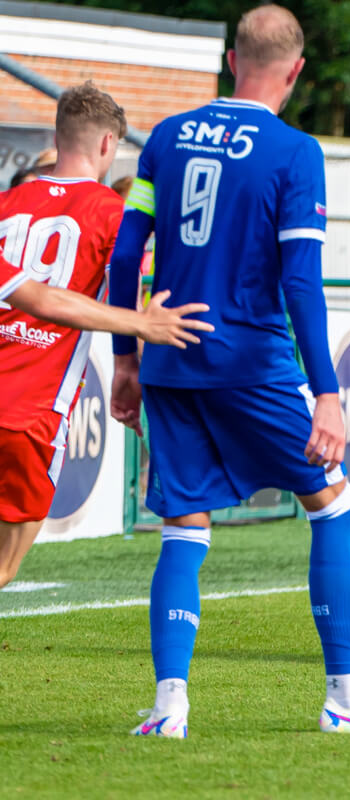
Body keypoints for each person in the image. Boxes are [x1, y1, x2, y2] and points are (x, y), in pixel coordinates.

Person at [107, 5, 350, 738]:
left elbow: (126, 256)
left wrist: (125, 359)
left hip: (166, 359)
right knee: (335, 504)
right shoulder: (293, 152)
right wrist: (327, 392)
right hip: (249, 361)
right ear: (296, 71)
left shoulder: (165, 138)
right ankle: (346, 701)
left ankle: (169, 710)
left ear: (231, 60)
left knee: (183, 527)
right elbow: (301, 285)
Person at [0, 83, 213, 591]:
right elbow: (104, 295)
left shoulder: (6, 203)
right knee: (4, 567)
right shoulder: (113, 215)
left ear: (57, 135)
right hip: (31, 411)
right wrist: (136, 347)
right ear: (107, 146)